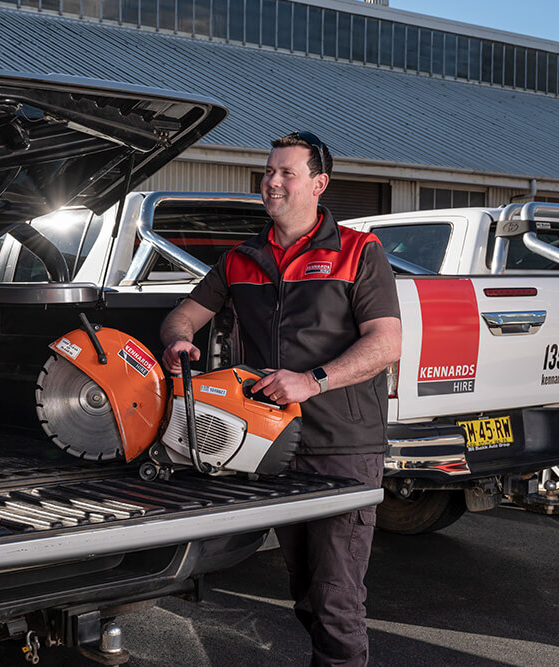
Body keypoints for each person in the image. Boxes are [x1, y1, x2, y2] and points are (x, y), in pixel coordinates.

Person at [160, 132, 401, 666]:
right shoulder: (241, 260)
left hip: (343, 446)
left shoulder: (359, 252)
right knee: (305, 593)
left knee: (337, 600)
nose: (272, 181)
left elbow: (386, 343)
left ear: (319, 183)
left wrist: (311, 379)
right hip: (270, 444)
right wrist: (179, 339)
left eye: (286, 172)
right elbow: (184, 314)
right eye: (268, 172)